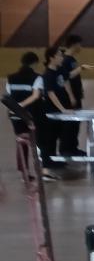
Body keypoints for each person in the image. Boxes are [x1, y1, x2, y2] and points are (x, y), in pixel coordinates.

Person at [6, 52, 59, 180]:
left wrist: (15, 108)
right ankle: (45, 171)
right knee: (44, 140)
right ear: (34, 63)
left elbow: (9, 96)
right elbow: (35, 96)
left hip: (16, 116)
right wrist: (21, 106)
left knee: (22, 143)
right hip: (34, 114)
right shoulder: (37, 78)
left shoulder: (10, 78)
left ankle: (25, 173)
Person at [59, 35, 94, 157]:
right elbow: (66, 77)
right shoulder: (65, 60)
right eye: (80, 44)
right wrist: (81, 68)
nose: (81, 47)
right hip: (69, 97)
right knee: (69, 124)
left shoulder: (72, 59)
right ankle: (66, 149)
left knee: (75, 124)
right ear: (74, 44)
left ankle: (73, 148)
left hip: (76, 95)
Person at [41, 46, 74, 174]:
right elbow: (50, 94)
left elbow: (67, 79)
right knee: (51, 136)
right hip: (52, 110)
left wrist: (70, 97)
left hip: (63, 107)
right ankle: (49, 161)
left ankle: (55, 158)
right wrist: (62, 109)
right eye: (59, 55)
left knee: (62, 133)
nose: (62, 58)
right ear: (52, 58)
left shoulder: (60, 69)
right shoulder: (47, 74)